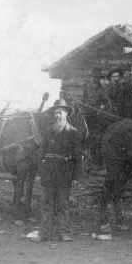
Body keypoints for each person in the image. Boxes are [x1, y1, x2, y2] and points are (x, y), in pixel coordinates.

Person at [38, 100, 83, 242]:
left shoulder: (73, 133)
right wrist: (41, 173)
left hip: (65, 172)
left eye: (60, 112)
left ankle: (64, 233)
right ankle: (45, 233)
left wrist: (76, 177)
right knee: (47, 204)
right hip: (49, 172)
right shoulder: (48, 131)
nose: (57, 115)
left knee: (64, 205)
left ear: (66, 114)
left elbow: (77, 158)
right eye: (55, 113)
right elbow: (40, 154)